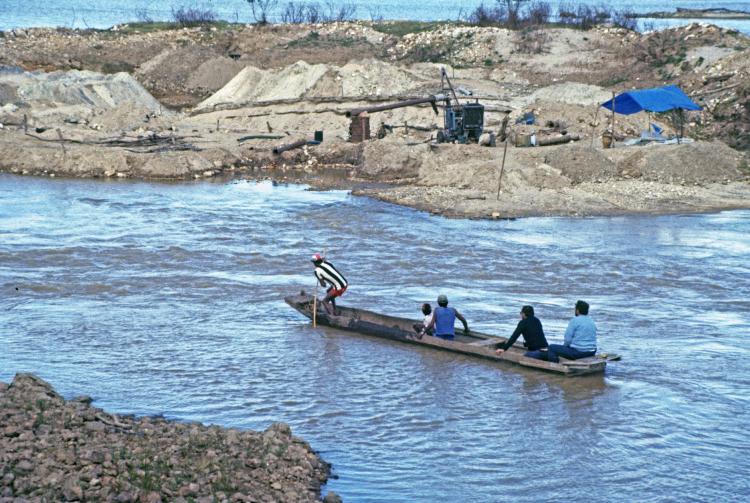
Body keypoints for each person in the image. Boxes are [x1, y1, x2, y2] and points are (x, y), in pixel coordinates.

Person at [526, 300, 597, 362]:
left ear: (577, 310)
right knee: (557, 349)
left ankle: (555, 365)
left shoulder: (575, 320)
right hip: (591, 352)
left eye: (575, 309)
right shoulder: (591, 321)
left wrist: (565, 348)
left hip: (579, 353)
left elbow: (567, 339)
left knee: (551, 347)